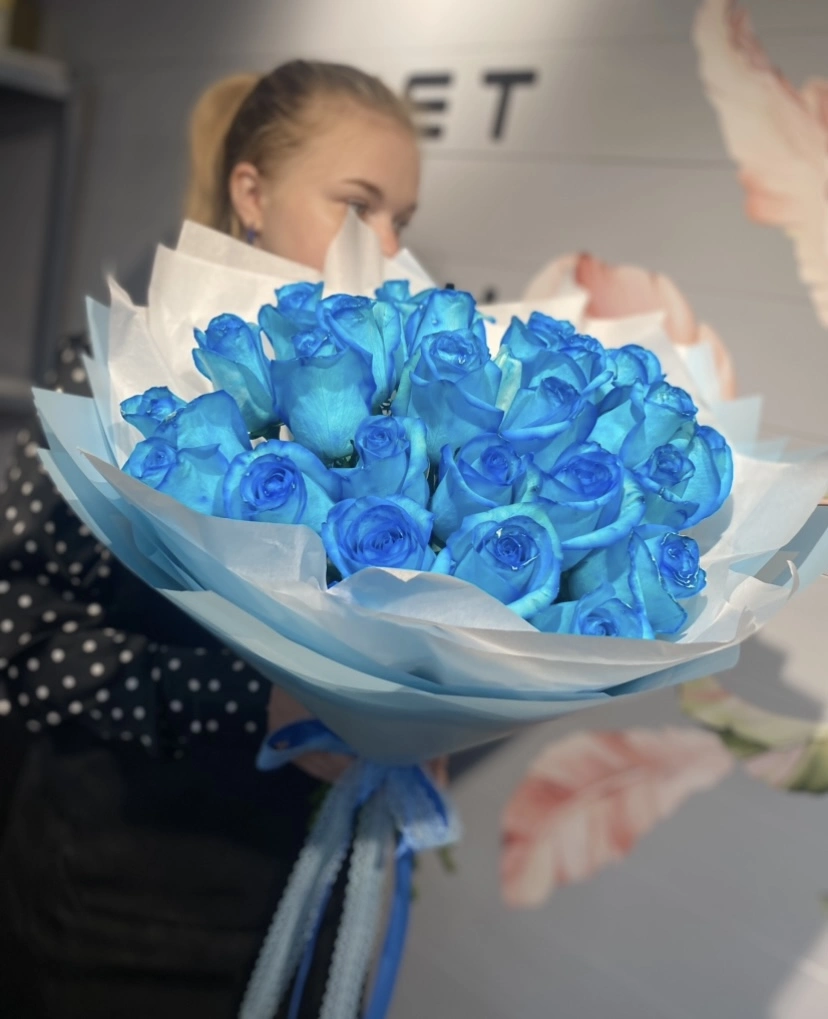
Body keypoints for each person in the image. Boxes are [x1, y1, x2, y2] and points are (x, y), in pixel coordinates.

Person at [0, 60, 420, 1019]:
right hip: (113, 911)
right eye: (359, 205)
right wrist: (248, 703)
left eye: (404, 218)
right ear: (251, 193)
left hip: (299, 901)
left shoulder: (398, 408)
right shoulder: (120, 375)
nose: (390, 247)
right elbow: (13, 621)